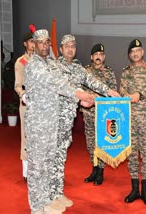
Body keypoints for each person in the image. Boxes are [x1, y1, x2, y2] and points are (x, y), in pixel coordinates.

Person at [24, 29, 95, 214]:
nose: (45, 45)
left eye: (48, 42)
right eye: (41, 42)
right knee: (37, 167)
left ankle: (46, 201)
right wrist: (80, 94)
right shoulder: (34, 65)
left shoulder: (51, 64)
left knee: (48, 164)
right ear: (34, 44)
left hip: (51, 123)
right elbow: (57, 84)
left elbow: (65, 83)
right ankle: (36, 207)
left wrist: (80, 99)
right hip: (38, 124)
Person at [49, 36, 120, 210]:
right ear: (60, 48)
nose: (71, 49)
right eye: (67, 46)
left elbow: (91, 81)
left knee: (61, 158)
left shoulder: (78, 68)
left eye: (73, 46)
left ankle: (58, 193)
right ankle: (49, 197)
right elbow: (65, 87)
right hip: (53, 119)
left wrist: (109, 91)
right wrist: (83, 97)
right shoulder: (54, 66)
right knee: (51, 158)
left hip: (67, 121)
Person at [120, 39, 146, 205]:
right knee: (132, 154)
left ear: (142, 52)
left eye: (138, 50)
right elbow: (122, 90)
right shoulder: (126, 72)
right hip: (130, 118)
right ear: (129, 55)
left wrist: (139, 95)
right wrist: (128, 96)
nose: (135, 53)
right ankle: (135, 189)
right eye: (132, 51)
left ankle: (145, 191)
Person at [81, 43, 118, 186]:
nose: (98, 57)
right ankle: (94, 169)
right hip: (88, 113)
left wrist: (98, 98)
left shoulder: (109, 72)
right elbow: (80, 89)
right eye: (96, 54)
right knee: (91, 143)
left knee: (101, 143)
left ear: (104, 57)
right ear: (91, 57)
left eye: (101, 55)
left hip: (103, 114)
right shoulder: (85, 71)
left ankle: (101, 171)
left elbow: (113, 92)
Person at [14, 26, 35, 182]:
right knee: (26, 136)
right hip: (27, 104)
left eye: (36, 41)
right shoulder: (21, 62)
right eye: (31, 42)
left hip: (42, 104)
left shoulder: (43, 61)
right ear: (25, 44)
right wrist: (23, 94)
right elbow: (17, 85)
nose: (34, 44)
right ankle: (26, 172)